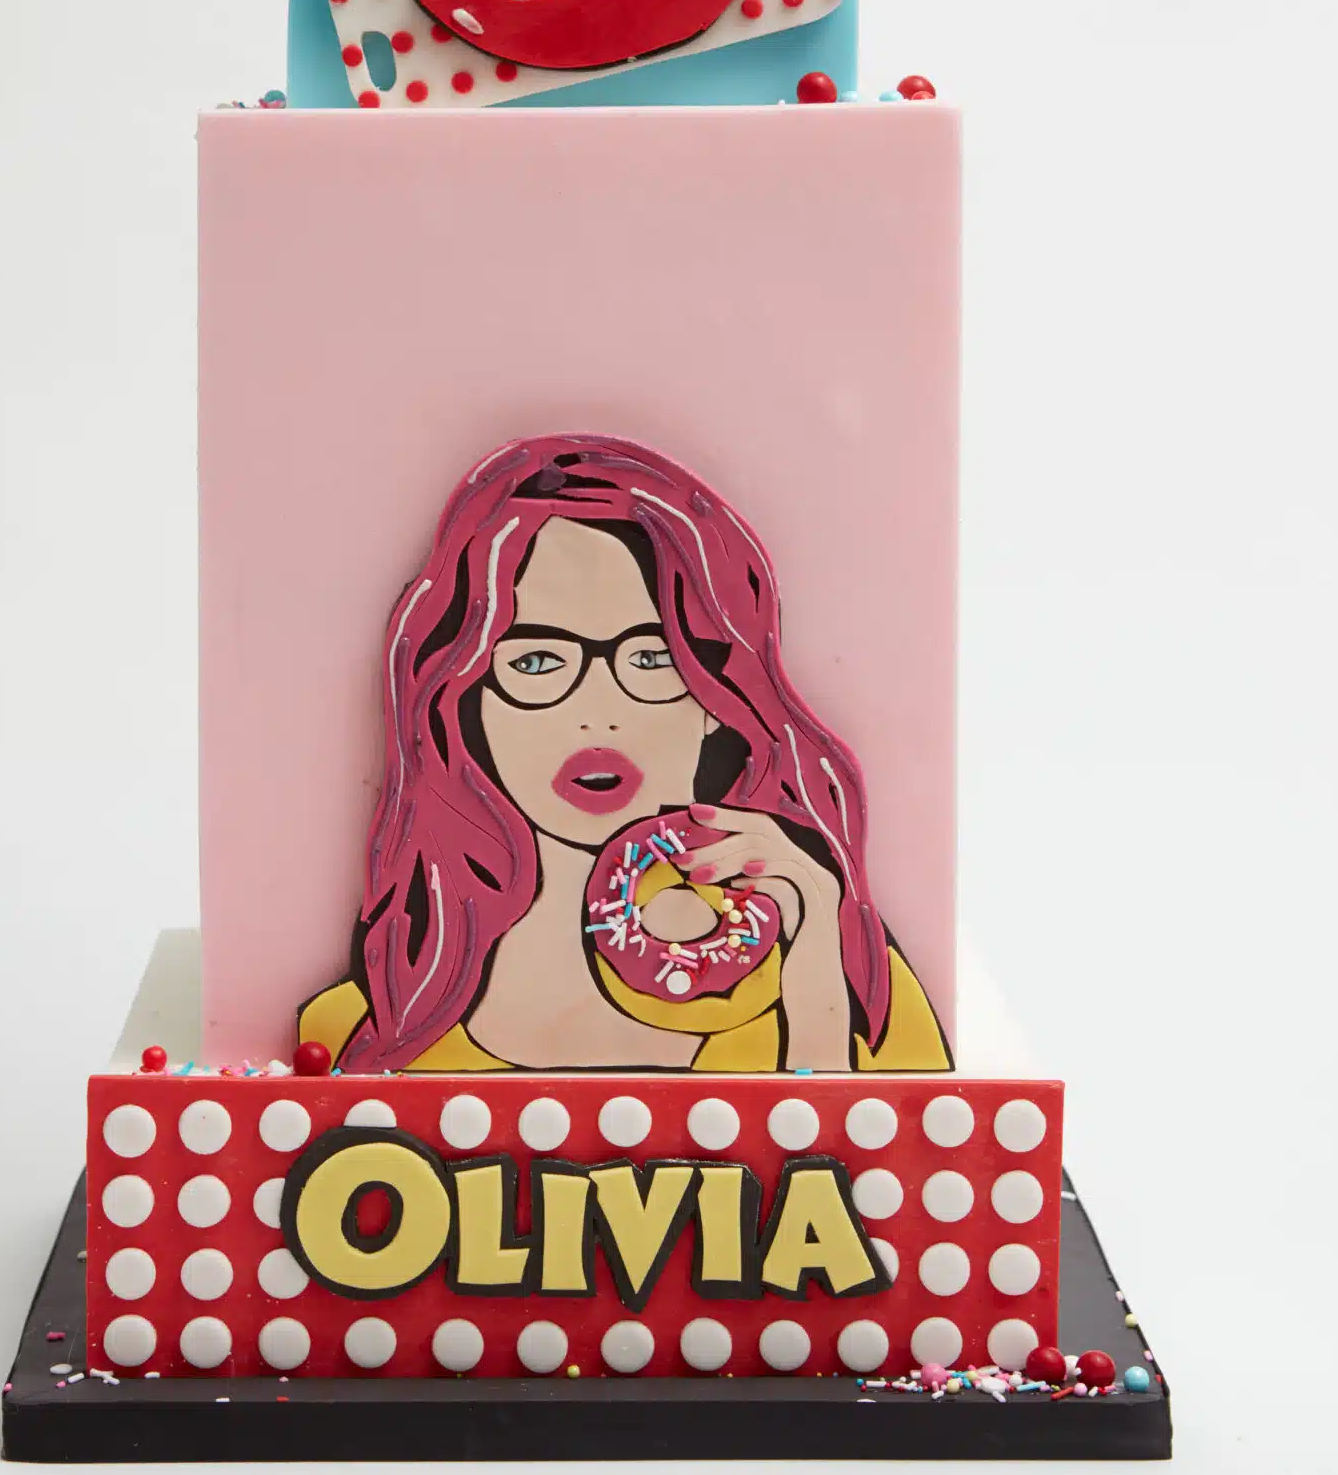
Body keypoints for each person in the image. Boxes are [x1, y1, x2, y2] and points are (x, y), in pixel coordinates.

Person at [298, 434, 949, 1073]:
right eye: (536, 660)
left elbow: (862, 1146)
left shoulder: (859, 997)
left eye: (652, 658)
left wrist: (817, 1003)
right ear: (468, 703)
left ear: (716, 699)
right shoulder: (361, 1033)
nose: (598, 713)